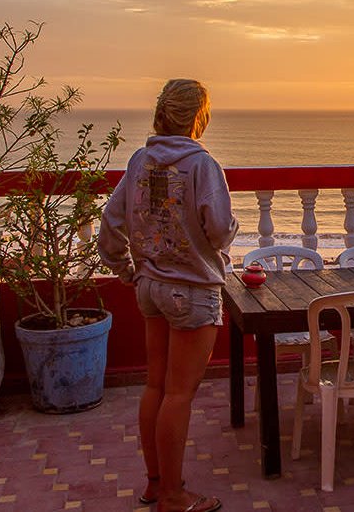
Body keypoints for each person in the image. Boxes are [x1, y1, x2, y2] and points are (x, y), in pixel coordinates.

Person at [99, 79, 237, 512]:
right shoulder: (202, 165)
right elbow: (217, 228)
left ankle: (156, 483)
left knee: (155, 386)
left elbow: (111, 221)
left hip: (150, 288)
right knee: (179, 394)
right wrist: (228, 234)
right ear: (199, 117)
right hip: (191, 292)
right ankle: (175, 496)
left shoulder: (141, 161)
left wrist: (124, 269)